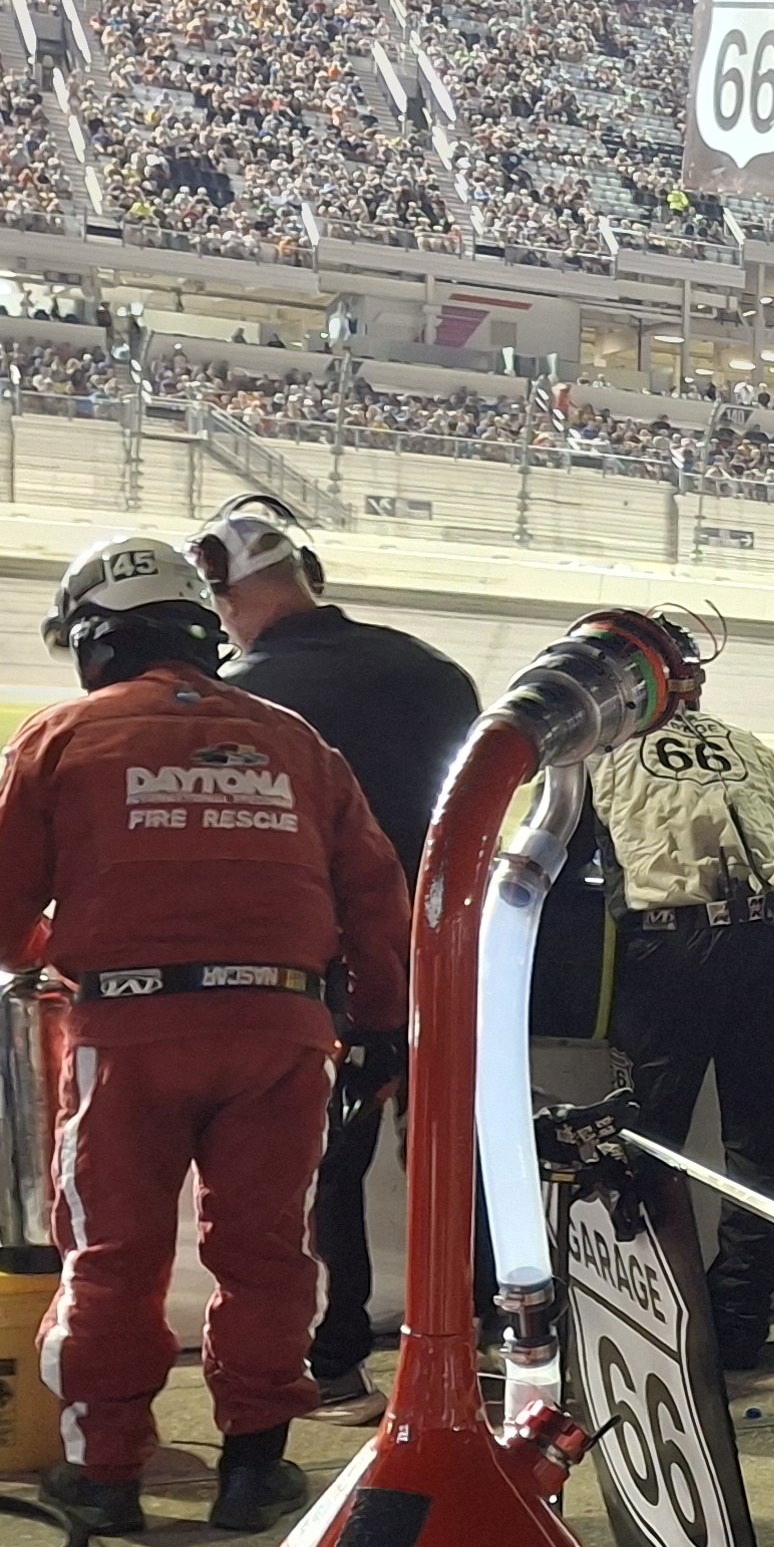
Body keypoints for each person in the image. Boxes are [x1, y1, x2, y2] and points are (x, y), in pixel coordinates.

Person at [0, 534, 410, 1535]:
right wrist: (379, 1027)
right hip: (282, 1032)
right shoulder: (298, 742)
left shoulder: (62, 735)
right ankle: (254, 1467)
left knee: (111, 1256)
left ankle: (106, 1474)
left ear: (93, 641)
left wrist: (56, 951)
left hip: (130, 1030)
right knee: (266, 1256)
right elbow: (380, 900)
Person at [198, 494, 478, 1425]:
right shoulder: (433, 671)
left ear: (232, 594)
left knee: (328, 1165)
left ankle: (337, 1357)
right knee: (450, 1152)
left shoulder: (246, 694)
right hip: (447, 938)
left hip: (327, 955)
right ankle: (478, 1338)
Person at [590, 614, 774, 1369]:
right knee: (762, 1142)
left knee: (649, 1137)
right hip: (773, 939)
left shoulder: (596, 745)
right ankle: (742, 1318)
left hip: (672, 945)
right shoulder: (744, 742)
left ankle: (651, 1313)